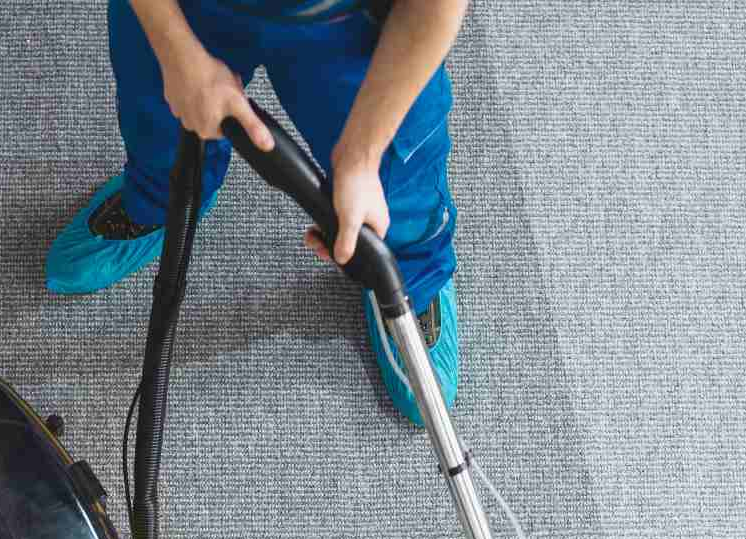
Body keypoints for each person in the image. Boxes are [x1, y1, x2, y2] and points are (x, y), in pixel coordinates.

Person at [46, 0, 466, 426]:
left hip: (353, 19)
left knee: (397, 187)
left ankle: (409, 274)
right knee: (161, 117)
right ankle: (157, 201)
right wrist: (176, 50)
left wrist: (361, 155)